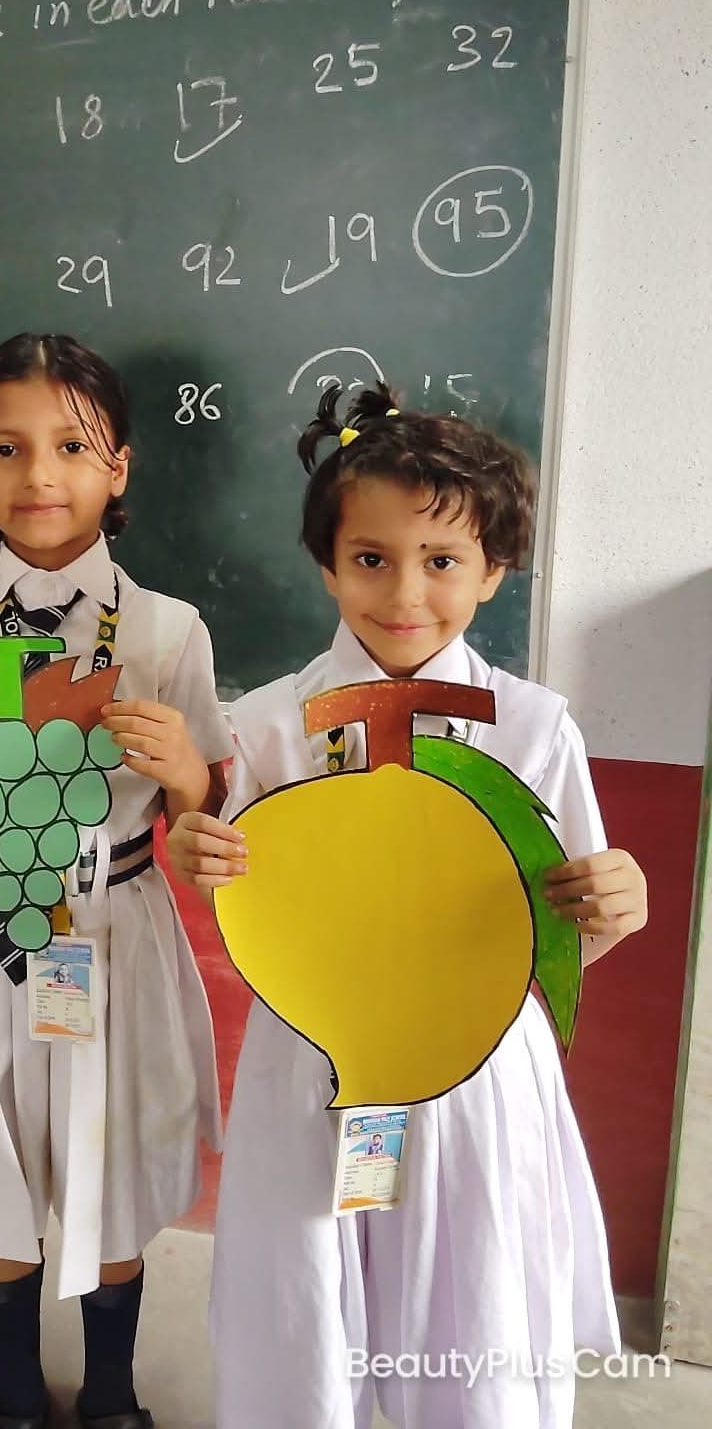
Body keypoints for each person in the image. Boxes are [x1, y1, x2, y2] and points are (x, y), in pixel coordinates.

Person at [169, 383, 648, 1429]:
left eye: (442, 561)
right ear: (329, 564)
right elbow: (253, 902)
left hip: (476, 1071)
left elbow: (564, 932)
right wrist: (207, 852)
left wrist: (614, 904)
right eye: (371, 558)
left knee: (473, 1309)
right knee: (302, 1310)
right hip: (315, 1066)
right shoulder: (271, 724)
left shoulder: (533, 728)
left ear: (493, 569)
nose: (404, 593)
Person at [0, 333, 232, 1429]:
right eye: (5, 448)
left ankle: (111, 1395)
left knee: (114, 1169)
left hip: (115, 922)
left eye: (72, 445)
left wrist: (187, 776)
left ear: (120, 467)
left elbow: (207, 831)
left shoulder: (167, 630)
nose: (39, 475)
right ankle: (15, 1396)